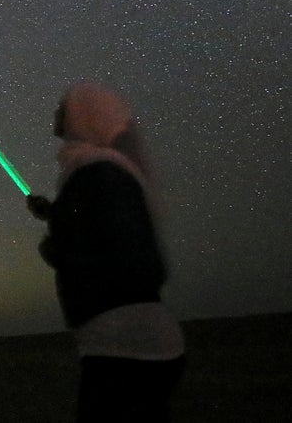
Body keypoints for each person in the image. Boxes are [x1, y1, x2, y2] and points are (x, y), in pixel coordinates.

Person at [27, 83, 185, 422]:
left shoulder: (98, 170)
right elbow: (99, 228)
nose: (56, 111)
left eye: (64, 106)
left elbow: (123, 252)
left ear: (86, 116)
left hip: (126, 343)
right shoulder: (93, 170)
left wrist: (56, 246)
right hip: (129, 341)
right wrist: (53, 215)